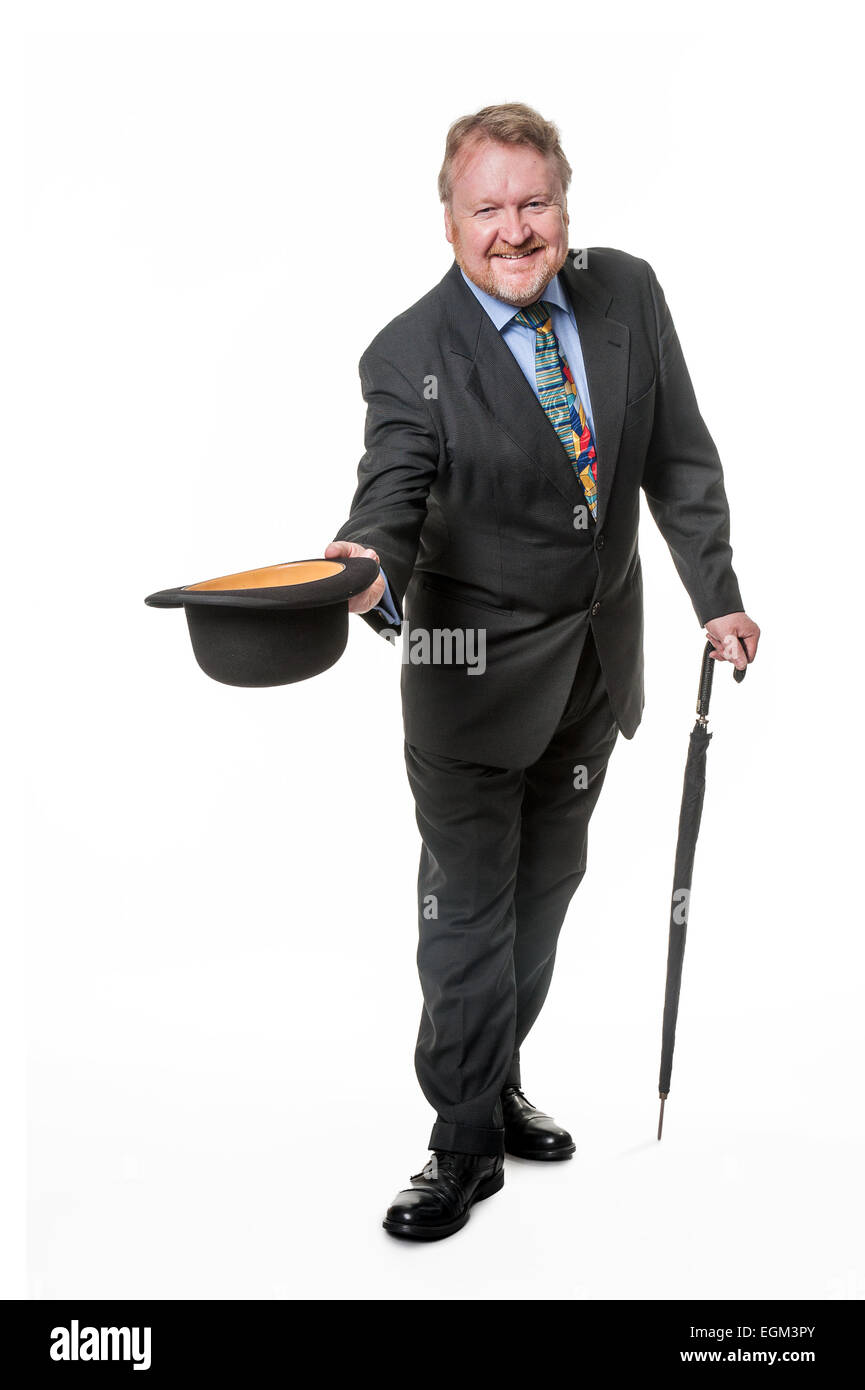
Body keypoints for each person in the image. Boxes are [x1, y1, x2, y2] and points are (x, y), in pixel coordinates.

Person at [327, 103, 760, 1242]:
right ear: (450, 220)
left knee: (540, 900)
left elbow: (676, 453)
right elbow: (395, 487)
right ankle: (459, 1140)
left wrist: (712, 591)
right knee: (466, 913)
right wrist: (368, 563)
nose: (514, 230)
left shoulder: (625, 295)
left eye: (535, 203)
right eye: (488, 209)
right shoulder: (409, 354)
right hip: (467, 679)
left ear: (565, 205)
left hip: (592, 668)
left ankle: (496, 1078)